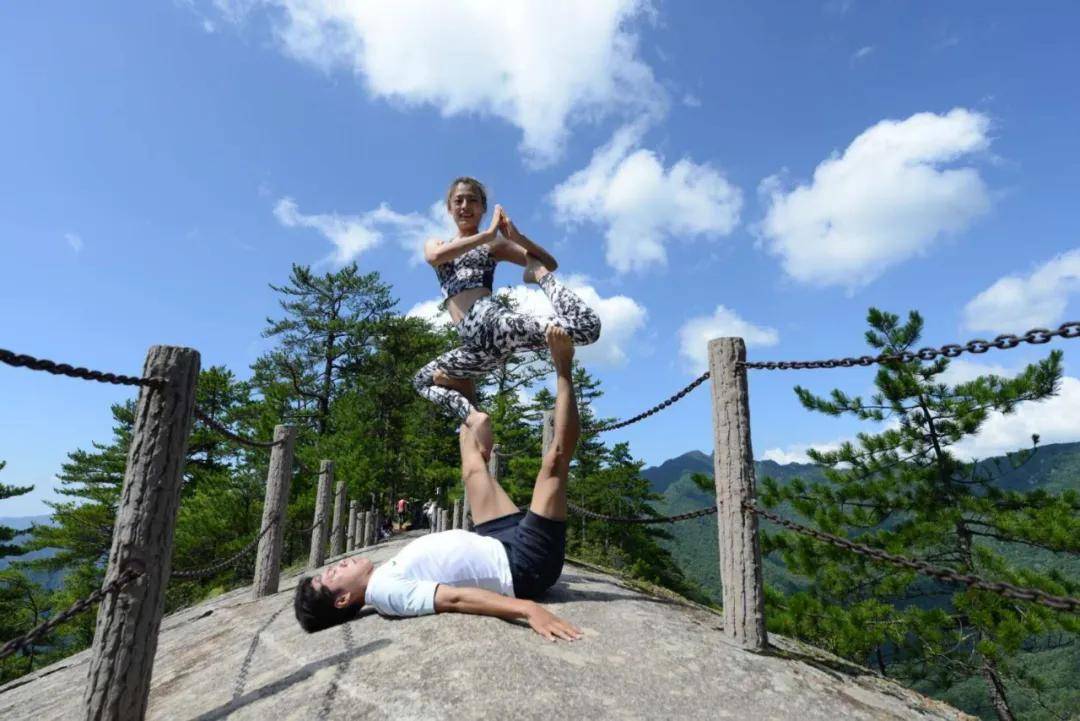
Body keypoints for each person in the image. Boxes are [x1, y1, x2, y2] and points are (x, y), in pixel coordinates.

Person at [295, 326, 583, 642]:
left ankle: (467, 399)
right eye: (331, 577)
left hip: (496, 541)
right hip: (524, 565)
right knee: (554, 464)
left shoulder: (381, 580)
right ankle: (564, 366)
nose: (337, 565)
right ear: (342, 600)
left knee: (473, 470)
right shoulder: (386, 594)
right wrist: (528, 610)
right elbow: (454, 599)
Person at [412, 176, 601, 459]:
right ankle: (474, 417)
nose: (465, 206)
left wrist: (517, 238)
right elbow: (435, 257)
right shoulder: (438, 242)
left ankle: (539, 279)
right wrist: (487, 235)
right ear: (449, 208)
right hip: (477, 347)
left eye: (472, 200)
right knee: (421, 381)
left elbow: (551, 262)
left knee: (587, 327)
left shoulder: (492, 246)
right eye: (458, 200)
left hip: (491, 322)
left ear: (483, 208)